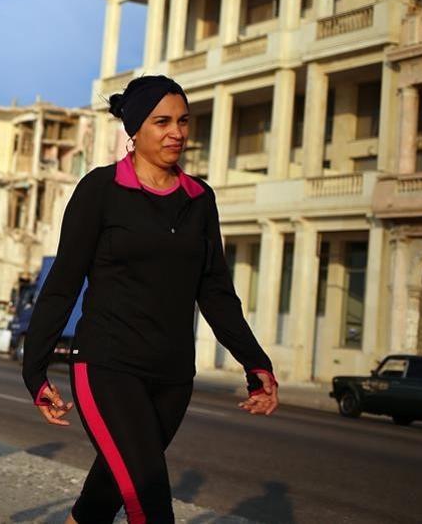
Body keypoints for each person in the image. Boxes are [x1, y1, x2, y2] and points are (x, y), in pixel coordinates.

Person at [21, 75, 280, 524]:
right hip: (107, 366)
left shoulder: (200, 199)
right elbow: (63, 283)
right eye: (162, 122)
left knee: (104, 496)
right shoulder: (99, 191)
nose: (176, 132)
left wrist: (255, 363)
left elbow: (215, 291)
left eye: (183, 121)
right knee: (149, 500)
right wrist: (35, 369)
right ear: (134, 129)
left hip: (173, 377)